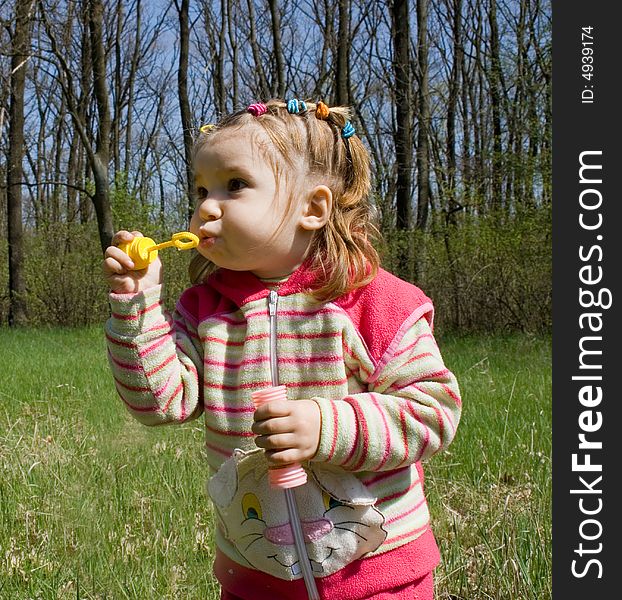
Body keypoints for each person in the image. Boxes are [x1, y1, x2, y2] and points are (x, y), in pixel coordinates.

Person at [103, 98, 462, 600]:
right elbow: (159, 402)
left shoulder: (376, 303)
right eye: (201, 188)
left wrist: (325, 426)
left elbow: (433, 411)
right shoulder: (205, 311)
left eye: (235, 185)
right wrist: (136, 304)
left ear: (312, 208)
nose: (207, 206)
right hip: (257, 573)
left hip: (377, 573)